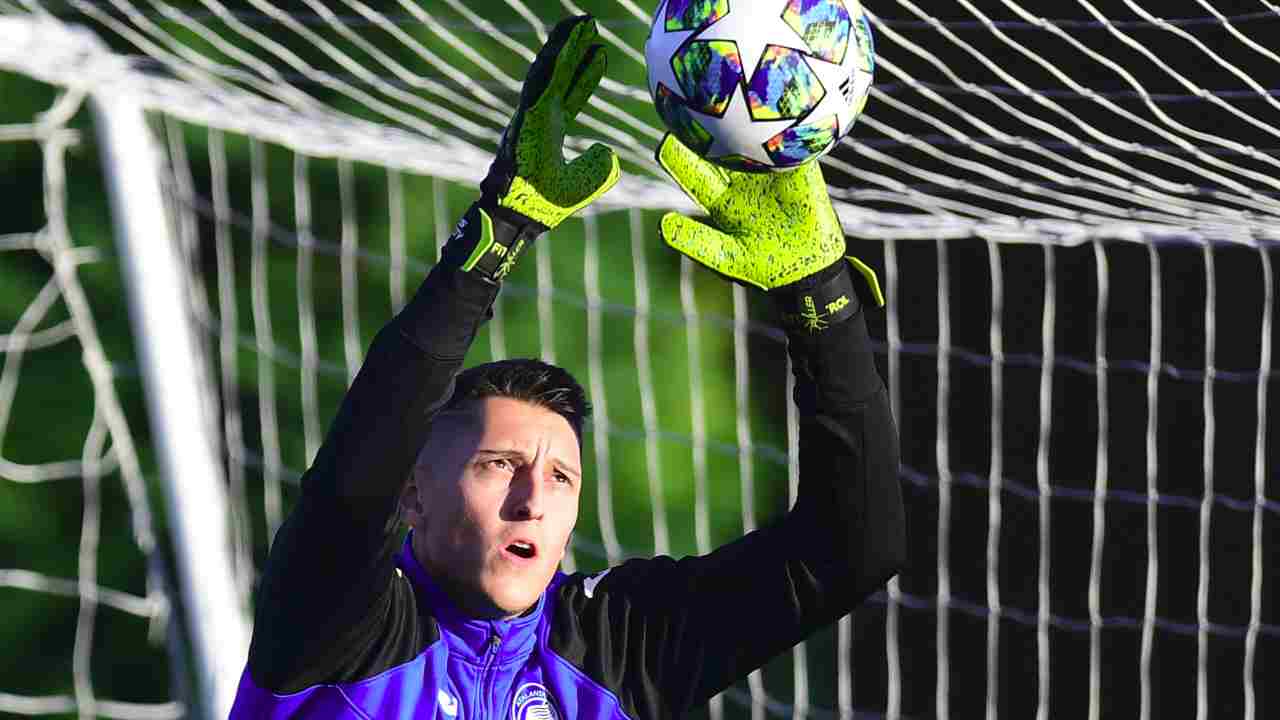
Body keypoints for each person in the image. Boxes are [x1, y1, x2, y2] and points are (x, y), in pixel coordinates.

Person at [229, 15, 905, 719]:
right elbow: (353, 480)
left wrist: (819, 297)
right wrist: (497, 233)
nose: (533, 499)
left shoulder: (613, 645)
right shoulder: (336, 624)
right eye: (496, 464)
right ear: (412, 494)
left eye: (560, 477)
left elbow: (852, 550)